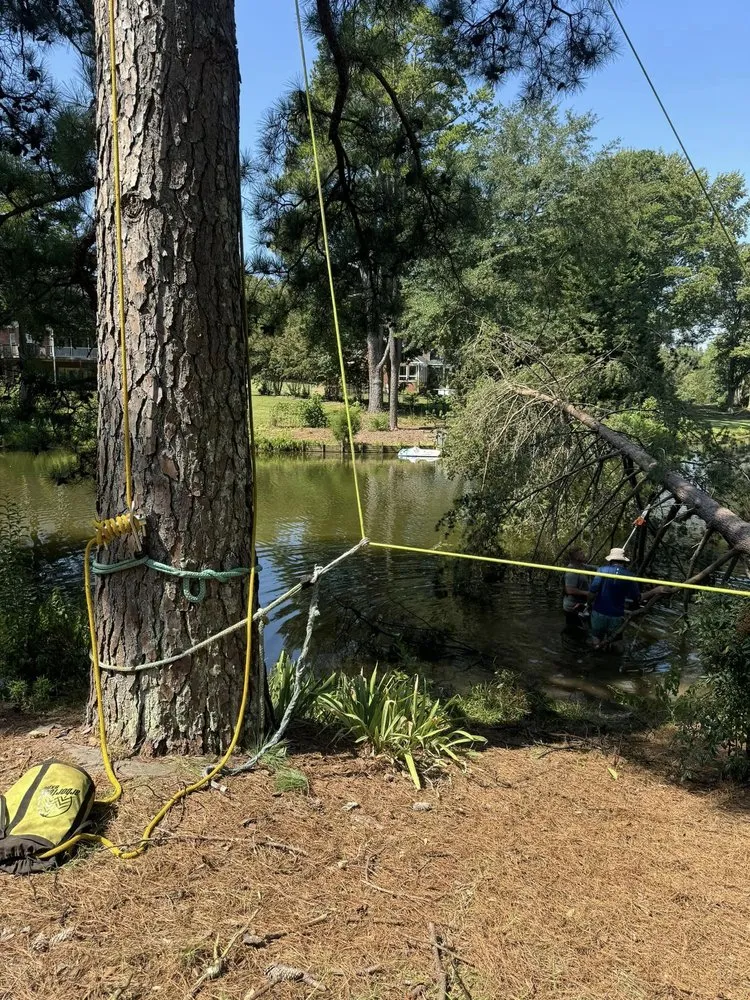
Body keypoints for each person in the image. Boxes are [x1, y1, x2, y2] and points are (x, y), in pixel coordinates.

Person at [588, 547, 641, 647]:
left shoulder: (601, 570)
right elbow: (636, 597)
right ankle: (612, 661)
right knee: (615, 643)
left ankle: (595, 658)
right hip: (616, 616)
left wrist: (588, 604)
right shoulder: (630, 575)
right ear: (623, 562)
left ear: (611, 560)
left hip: (599, 612)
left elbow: (592, 592)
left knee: (596, 640)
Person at [563, 548, 590, 630]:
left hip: (581, 606)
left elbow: (596, 568)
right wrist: (587, 593)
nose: (584, 554)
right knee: (574, 631)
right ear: (575, 557)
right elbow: (569, 590)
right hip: (573, 607)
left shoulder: (581, 566)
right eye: (581, 553)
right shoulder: (572, 570)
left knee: (581, 630)